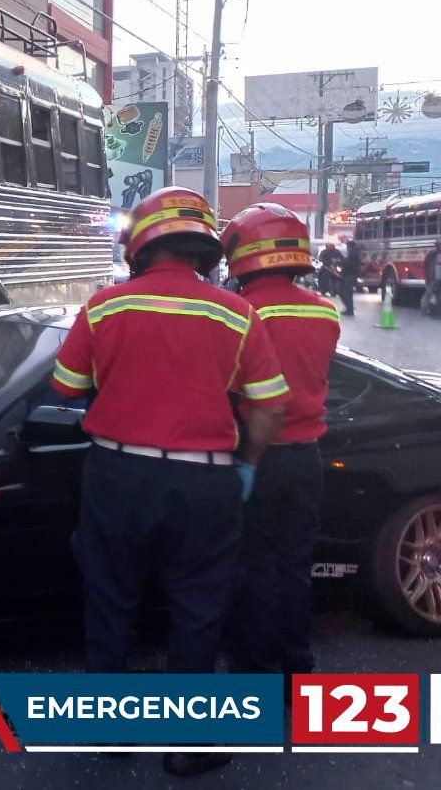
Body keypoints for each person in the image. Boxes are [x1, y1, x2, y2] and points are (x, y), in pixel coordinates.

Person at [52, 186, 287, 779]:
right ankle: (187, 745)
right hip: (206, 482)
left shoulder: (105, 307)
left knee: (109, 602)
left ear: (140, 247)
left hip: (117, 474)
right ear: (206, 250)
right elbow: (269, 408)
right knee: (198, 609)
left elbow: (63, 387)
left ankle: (109, 735)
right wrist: (249, 465)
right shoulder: (237, 313)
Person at [220, 205, 340, 684]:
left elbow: (229, 387)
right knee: (294, 566)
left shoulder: (244, 314)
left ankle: (257, 670)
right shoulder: (324, 312)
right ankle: (297, 666)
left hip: (259, 453)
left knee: (254, 564)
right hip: (307, 456)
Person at [338, 236, 361, 316]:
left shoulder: (353, 254)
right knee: (346, 293)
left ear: (349, 246)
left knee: (346, 293)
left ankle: (349, 309)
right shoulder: (354, 253)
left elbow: (348, 264)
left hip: (349, 275)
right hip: (351, 275)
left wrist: (341, 262)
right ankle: (349, 308)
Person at [423, 238, 441, 318]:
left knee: (438, 296)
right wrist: (427, 277)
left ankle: (436, 312)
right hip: (432, 278)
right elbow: (426, 266)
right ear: (437, 246)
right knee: (428, 294)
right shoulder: (432, 254)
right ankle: (424, 309)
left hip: (439, 278)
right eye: (439, 245)